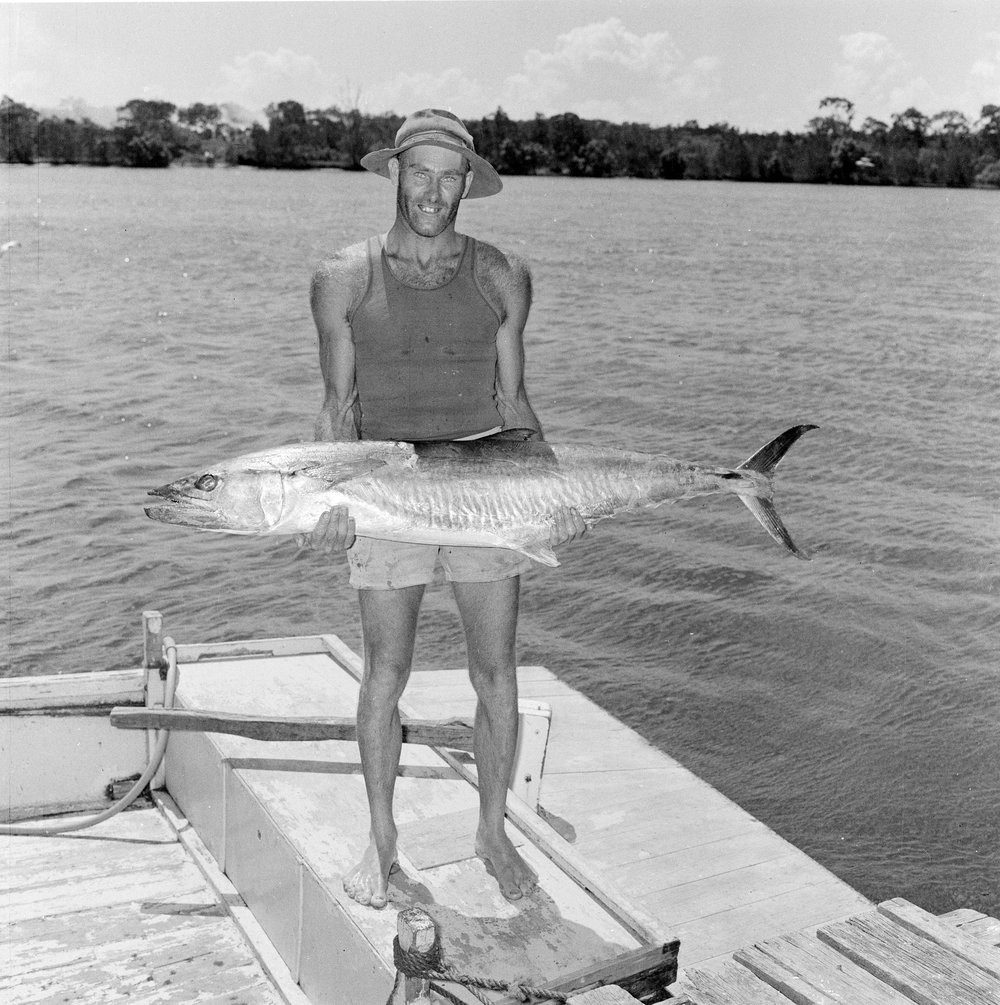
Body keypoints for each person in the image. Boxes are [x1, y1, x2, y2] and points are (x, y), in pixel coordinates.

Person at [304, 109, 585, 910]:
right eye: (419, 172)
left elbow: (514, 398)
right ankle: (381, 836)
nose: (433, 191)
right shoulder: (342, 276)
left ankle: (492, 830)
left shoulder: (502, 274)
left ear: (469, 183)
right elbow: (337, 406)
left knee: (495, 672)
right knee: (385, 672)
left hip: (485, 484)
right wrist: (330, 494)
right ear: (395, 172)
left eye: (449, 175)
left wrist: (553, 490)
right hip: (385, 486)